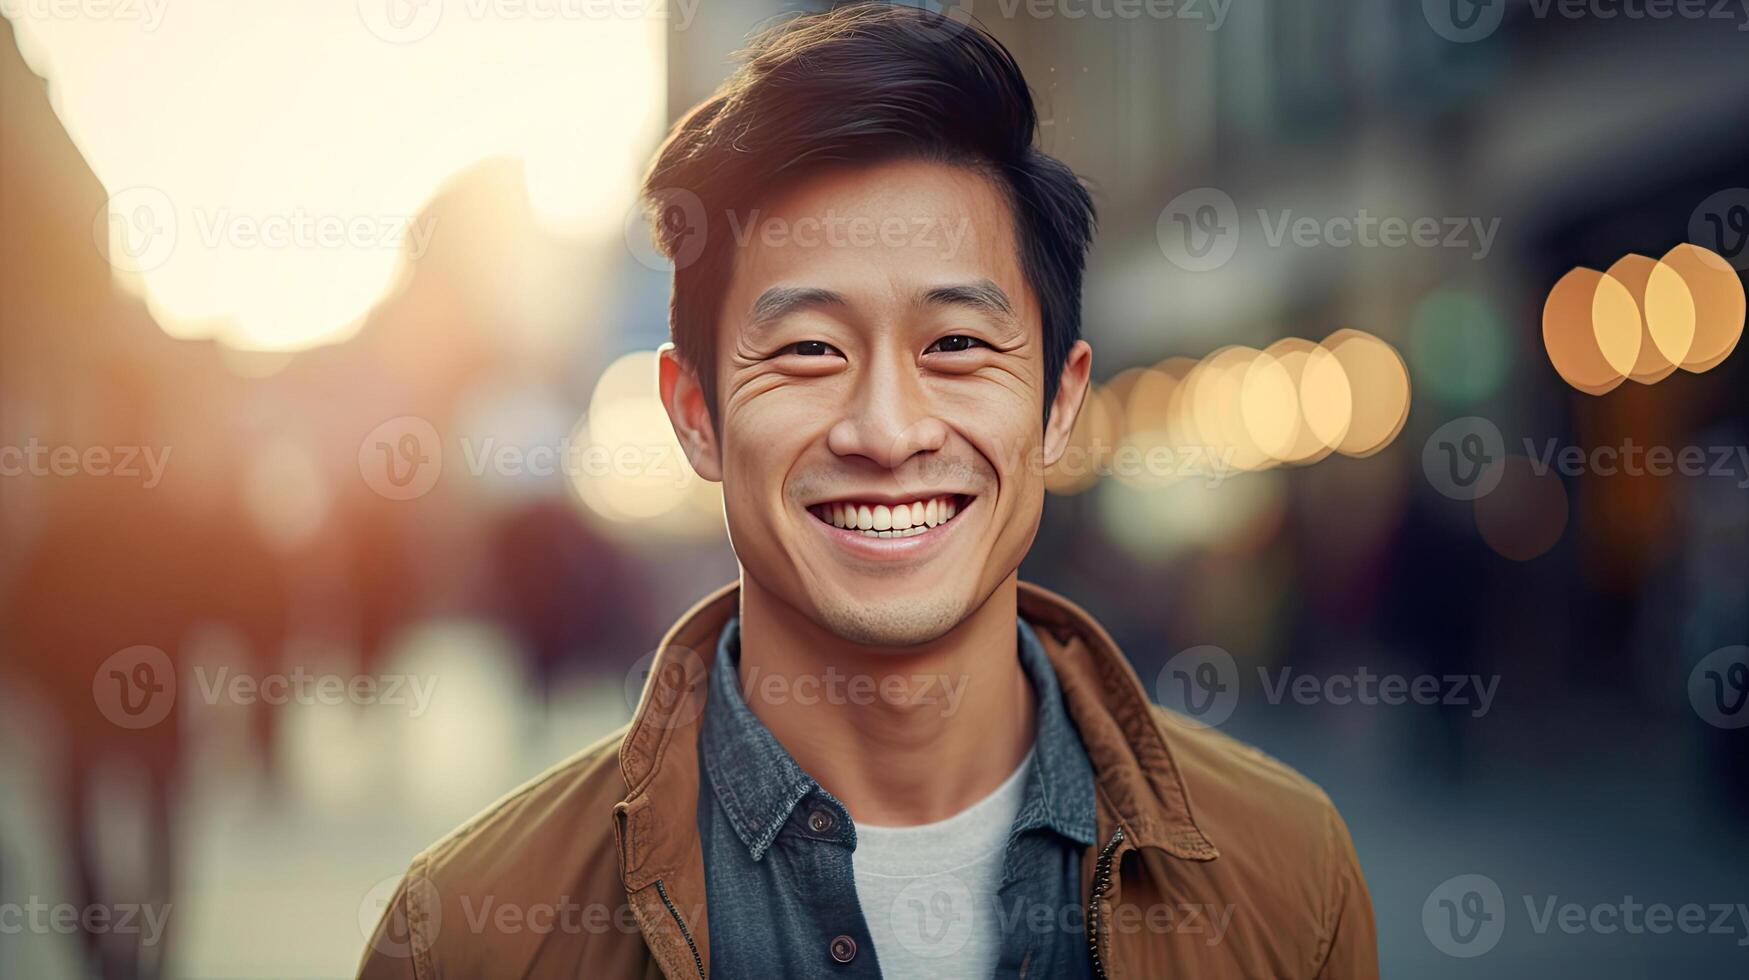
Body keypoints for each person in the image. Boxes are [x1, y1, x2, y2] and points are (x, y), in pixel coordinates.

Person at [359, 6, 1377, 978]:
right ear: (696, 413)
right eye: (808, 349)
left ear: (1058, 406)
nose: (889, 431)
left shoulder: (1290, 879)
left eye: (957, 345)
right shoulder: (472, 934)